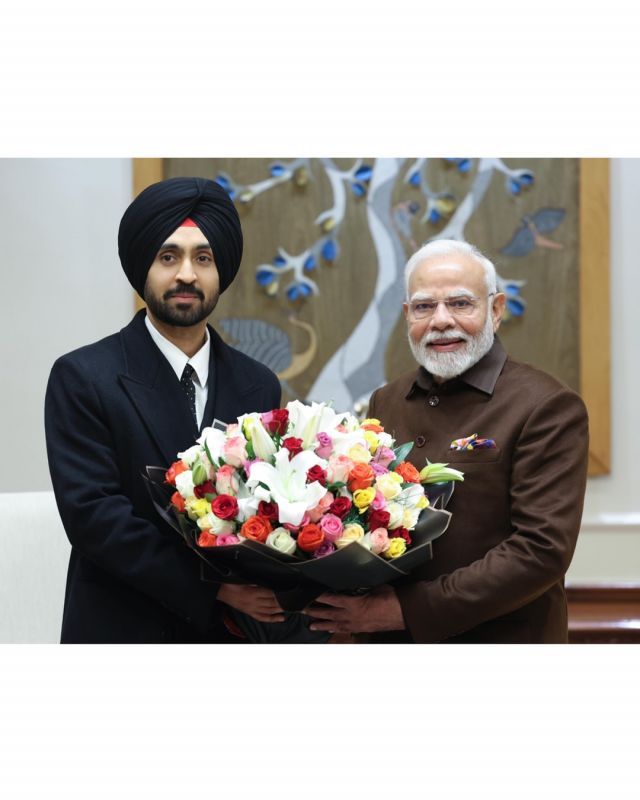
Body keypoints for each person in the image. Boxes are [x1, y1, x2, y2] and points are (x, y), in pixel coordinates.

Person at [305, 239, 589, 643]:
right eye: (424, 306)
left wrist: (405, 611)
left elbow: (540, 551)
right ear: (408, 315)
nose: (440, 320)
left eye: (460, 303)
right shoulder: (387, 400)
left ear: (496, 310)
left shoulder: (546, 405)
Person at [45, 176, 286, 643]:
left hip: (233, 636)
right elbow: (95, 518)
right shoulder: (83, 376)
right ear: (144, 267)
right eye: (169, 256)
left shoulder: (258, 383)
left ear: (221, 270)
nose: (187, 275)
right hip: (122, 628)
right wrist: (214, 588)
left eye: (203, 258)